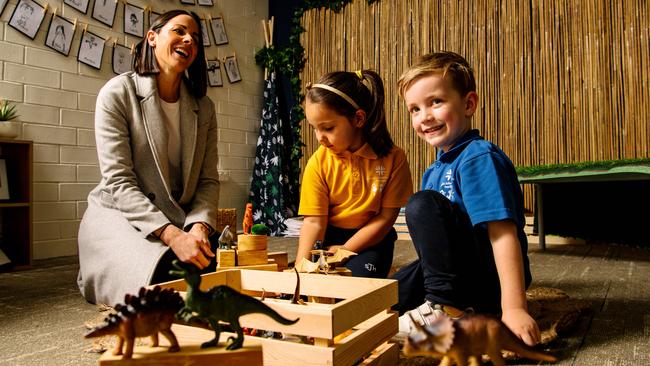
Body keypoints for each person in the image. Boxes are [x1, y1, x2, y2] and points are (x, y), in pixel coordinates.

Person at [392, 51, 540, 346]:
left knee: (422, 203)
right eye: (415, 109)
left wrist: (514, 308)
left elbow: (502, 234)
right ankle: (439, 302)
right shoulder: (435, 169)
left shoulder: (478, 157)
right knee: (388, 291)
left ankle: (445, 309)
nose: (425, 117)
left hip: (489, 281)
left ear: (469, 103)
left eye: (436, 102)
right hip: (460, 277)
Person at [77, 10, 220, 306]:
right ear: (152, 38)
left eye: (195, 37)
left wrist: (198, 228)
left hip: (179, 220)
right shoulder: (117, 93)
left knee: (221, 269)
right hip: (121, 217)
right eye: (179, 31)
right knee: (169, 280)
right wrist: (173, 237)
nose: (188, 40)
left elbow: (207, 181)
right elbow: (118, 181)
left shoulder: (203, 108)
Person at [296, 70, 413, 278]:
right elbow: (314, 222)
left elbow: (386, 218)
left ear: (358, 119)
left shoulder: (395, 159)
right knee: (313, 282)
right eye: (314, 128)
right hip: (327, 235)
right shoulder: (318, 163)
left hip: (372, 240)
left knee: (355, 284)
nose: (319, 138)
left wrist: (345, 249)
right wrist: (299, 270)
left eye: (328, 128)